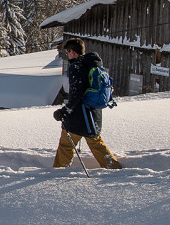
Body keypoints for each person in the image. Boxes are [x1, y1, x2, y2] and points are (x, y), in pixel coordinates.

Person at [52, 37, 123, 169]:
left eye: (67, 52)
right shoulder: (93, 64)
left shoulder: (77, 68)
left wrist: (64, 111)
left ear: (72, 52)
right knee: (95, 142)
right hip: (93, 113)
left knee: (66, 145)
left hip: (79, 115)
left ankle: (59, 170)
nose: (67, 55)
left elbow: (77, 93)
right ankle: (113, 168)